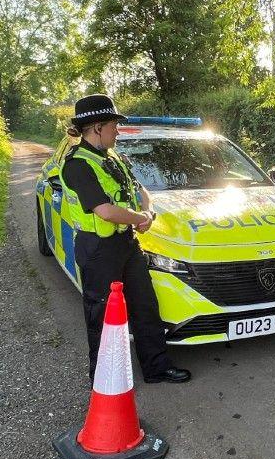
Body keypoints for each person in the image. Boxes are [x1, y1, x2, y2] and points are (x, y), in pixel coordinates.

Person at [60, 94, 191, 384]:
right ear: (97, 127)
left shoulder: (114, 157)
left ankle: (156, 368)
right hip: (97, 250)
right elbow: (105, 211)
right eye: (113, 126)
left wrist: (148, 211)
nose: (117, 131)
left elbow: (139, 188)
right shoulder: (77, 165)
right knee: (102, 316)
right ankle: (104, 379)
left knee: (145, 305)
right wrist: (140, 219)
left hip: (127, 244)